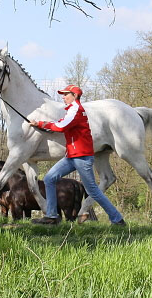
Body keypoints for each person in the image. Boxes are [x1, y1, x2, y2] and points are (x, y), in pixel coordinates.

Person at [30, 84, 125, 226]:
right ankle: (51, 216)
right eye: (63, 94)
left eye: (66, 94)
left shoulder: (76, 110)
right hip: (71, 156)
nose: (63, 97)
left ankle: (117, 219)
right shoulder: (71, 111)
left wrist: (41, 124)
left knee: (92, 190)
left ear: (74, 96)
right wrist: (41, 124)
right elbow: (62, 124)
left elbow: (61, 126)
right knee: (49, 178)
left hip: (82, 157)